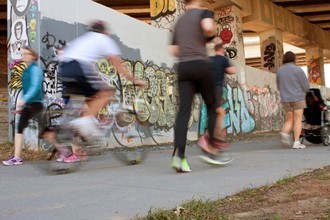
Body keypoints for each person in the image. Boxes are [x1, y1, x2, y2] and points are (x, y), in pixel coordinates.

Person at [57, 20, 145, 161]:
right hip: (78, 67)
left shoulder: (83, 40)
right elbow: (118, 65)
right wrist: (135, 80)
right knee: (108, 93)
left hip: (65, 70)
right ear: (105, 31)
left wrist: (99, 81)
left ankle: (80, 135)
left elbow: (86, 67)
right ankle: (84, 123)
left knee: (89, 102)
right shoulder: (104, 39)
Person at [169, 0, 223, 172]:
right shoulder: (204, 13)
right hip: (200, 65)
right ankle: (210, 147)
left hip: (184, 67)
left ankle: (179, 157)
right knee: (213, 106)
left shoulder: (179, 21)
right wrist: (210, 36)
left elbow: (174, 50)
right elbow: (208, 28)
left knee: (183, 111)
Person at [3, 46, 44, 166]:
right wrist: (20, 107)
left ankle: (63, 151)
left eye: (26, 54)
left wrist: (24, 100)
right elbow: (25, 89)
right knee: (19, 129)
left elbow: (35, 87)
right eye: (23, 54)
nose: (24, 56)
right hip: (28, 105)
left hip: (36, 104)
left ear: (33, 56)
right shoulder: (26, 70)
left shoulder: (35, 70)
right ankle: (17, 157)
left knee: (46, 132)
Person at [197, 42, 236, 162]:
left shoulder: (208, 59)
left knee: (218, 112)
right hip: (216, 89)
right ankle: (209, 141)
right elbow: (232, 70)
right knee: (216, 113)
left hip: (206, 89)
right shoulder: (223, 59)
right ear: (222, 50)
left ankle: (215, 142)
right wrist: (227, 60)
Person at [276, 51, 309, 149]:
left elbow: (278, 86)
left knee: (289, 119)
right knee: (298, 120)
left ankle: (284, 133)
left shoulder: (280, 71)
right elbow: (306, 86)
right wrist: (305, 91)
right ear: (294, 59)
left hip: (285, 99)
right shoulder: (297, 69)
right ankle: (296, 142)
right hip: (298, 98)